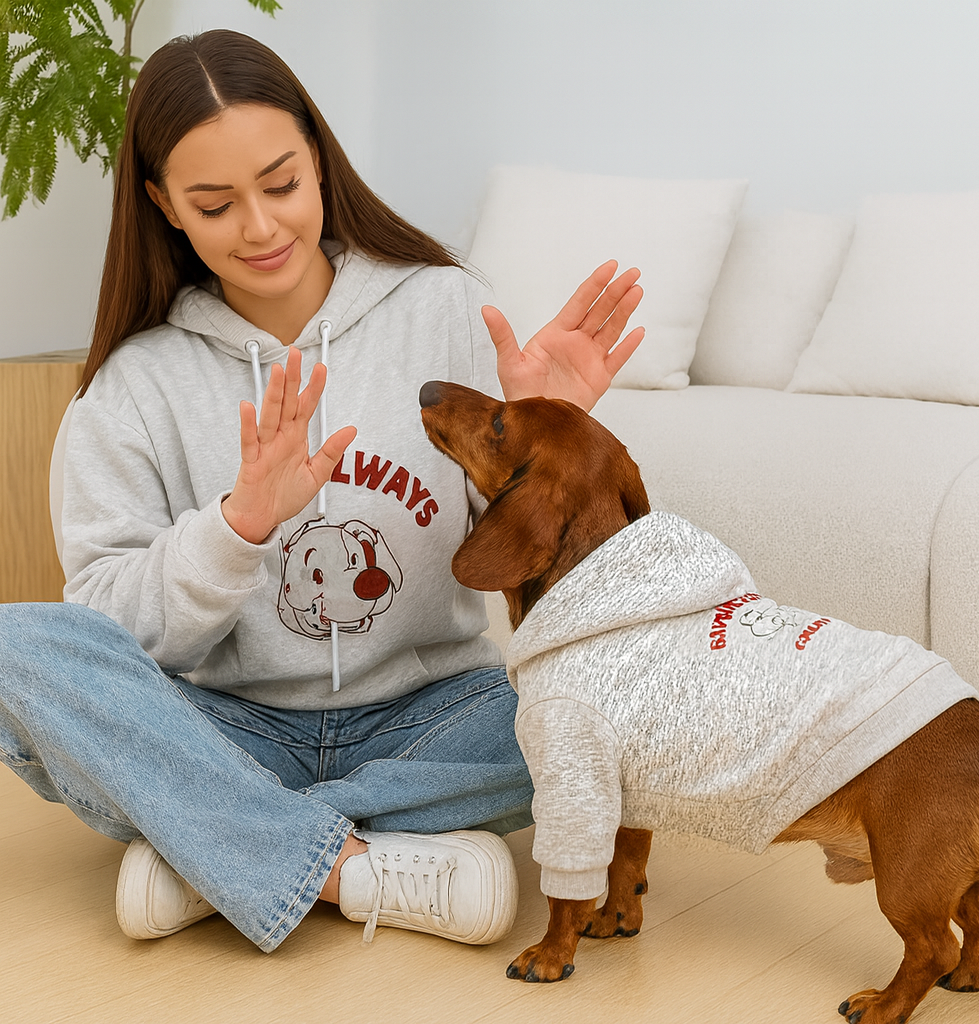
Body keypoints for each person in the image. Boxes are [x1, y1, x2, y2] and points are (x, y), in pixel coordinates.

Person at [0, 29, 643, 954]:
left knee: (591, 722)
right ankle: (349, 868)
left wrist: (554, 443)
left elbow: (536, 570)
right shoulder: (133, 387)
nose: (260, 229)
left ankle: (208, 845)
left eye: (282, 184)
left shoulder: (445, 306)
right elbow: (108, 632)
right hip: (226, 722)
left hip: (434, 718)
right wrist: (238, 526)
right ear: (163, 205)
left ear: (320, 160)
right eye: (215, 205)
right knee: (18, 651)